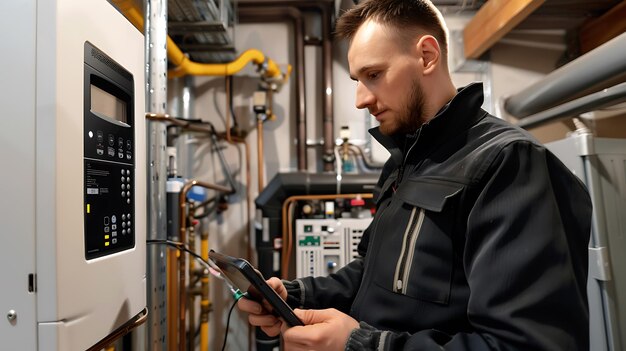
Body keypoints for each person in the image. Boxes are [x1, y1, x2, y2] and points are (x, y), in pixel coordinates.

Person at [238, 0, 592, 349]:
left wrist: (364, 345)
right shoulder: (405, 161)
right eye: (357, 80)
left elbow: (528, 344)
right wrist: (295, 295)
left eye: (373, 75)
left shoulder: (510, 163)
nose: (361, 98)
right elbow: (371, 275)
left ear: (426, 56)